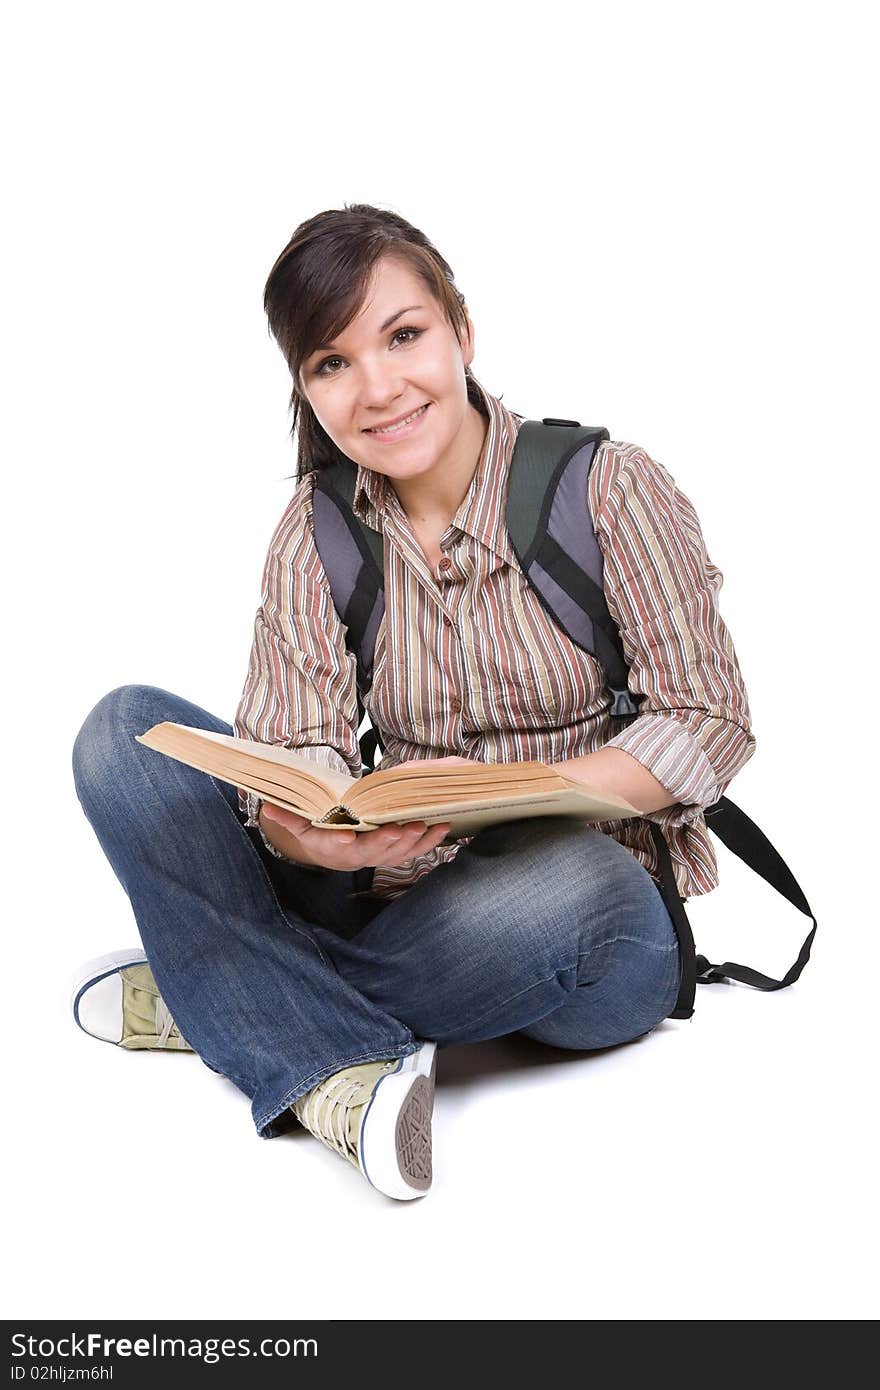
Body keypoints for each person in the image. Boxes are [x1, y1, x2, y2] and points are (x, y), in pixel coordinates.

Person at [70, 203, 755, 1201]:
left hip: (586, 927)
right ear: (306, 388)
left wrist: (520, 790)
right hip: (400, 906)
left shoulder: (607, 489)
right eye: (331, 363)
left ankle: (220, 987)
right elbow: (292, 750)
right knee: (123, 730)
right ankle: (295, 1029)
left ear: (461, 333)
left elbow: (708, 720)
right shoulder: (316, 535)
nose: (377, 388)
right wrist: (320, 838)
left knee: (579, 885)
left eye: (403, 336)